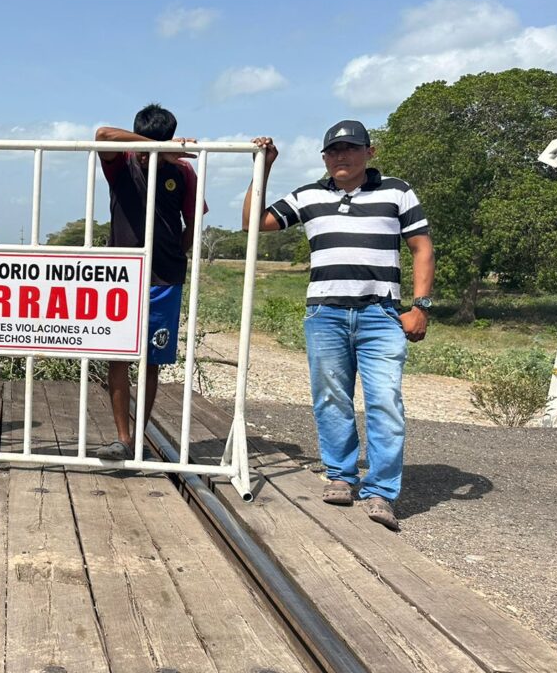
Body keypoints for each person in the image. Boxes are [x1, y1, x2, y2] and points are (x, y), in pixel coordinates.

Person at [243, 122, 435, 531]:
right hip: (325, 314)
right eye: (333, 151)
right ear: (324, 157)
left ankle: (381, 490)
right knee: (331, 399)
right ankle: (341, 476)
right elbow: (253, 223)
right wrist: (264, 166)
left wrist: (421, 306)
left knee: (385, 401)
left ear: (370, 152)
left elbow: (421, 248)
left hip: (380, 314)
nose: (341, 156)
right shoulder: (308, 195)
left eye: (350, 148)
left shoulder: (397, 192)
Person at [93, 104, 204, 460]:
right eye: (146, 144)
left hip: (164, 278)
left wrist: (174, 254)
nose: (148, 153)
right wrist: (153, 147)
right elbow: (102, 135)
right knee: (117, 358)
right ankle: (122, 438)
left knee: (151, 360)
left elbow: (192, 223)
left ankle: (135, 440)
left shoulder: (183, 171)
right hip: (121, 278)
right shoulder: (121, 162)